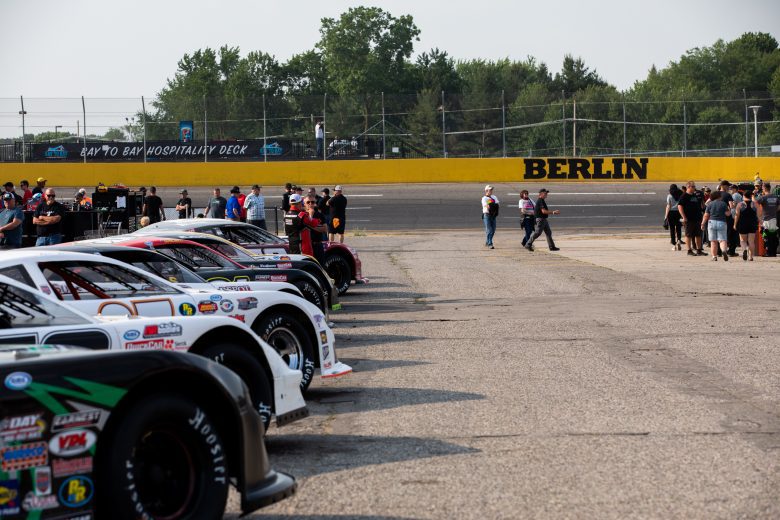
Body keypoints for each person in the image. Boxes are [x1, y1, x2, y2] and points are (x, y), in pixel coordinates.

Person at [678, 181, 706, 256]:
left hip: (697, 218)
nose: (694, 188)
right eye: (693, 186)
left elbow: (700, 205)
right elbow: (680, 206)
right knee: (688, 235)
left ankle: (699, 250)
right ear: (688, 187)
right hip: (689, 219)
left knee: (698, 234)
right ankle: (689, 250)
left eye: (694, 186)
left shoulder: (695, 195)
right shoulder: (684, 196)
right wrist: (684, 217)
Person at [701, 190, 730, 261]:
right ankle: (723, 251)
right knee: (722, 240)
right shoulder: (723, 204)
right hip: (722, 222)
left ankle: (714, 256)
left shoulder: (710, 204)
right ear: (719, 196)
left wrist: (703, 223)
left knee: (713, 241)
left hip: (711, 222)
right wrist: (729, 209)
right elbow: (728, 214)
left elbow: (706, 215)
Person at [756, 182, 779, 257]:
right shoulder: (776, 197)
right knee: (773, 236)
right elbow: (779, 208)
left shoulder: (763, 197)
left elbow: (755, 203)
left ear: (765, 188)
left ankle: (769, 252)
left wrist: (753, 195)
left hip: (766, 219)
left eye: (762, 188)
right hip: (774, 219)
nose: (762, 189)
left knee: (766, 236)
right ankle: (773, 252)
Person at [734, 190, 758, 261]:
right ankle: (750, 257)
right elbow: (758, 214)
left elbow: (737, 215)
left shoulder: (740, 204)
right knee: (751, 241)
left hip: (742, 224)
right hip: (752, 224)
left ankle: (744, 249)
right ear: (751, 196)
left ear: (743, 196)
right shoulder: (754, 204)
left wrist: (735, 224)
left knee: (743, 240)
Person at [305, 195, 329, 263]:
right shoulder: (302, 215)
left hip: (317, 244)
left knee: (321, 265)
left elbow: (325, 229)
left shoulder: (319, 215)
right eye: (308, 202)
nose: (310, 204)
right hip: (307, 245)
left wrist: (311, 225)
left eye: (312, 202)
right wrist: (310, 216)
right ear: (304, 204)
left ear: (315, 203)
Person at [717, 181, 737, 257]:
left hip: (717, 217)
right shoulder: (728, 195)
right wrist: (734, 204)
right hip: (726, 217)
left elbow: (707, 203)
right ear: (724, 186)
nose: (729, 187)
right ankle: (731, 251)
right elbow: (731, 206)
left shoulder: (715, 194)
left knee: (719, 234)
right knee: (730, 234)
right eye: (728, 186)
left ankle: (718, 252)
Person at [665, 184, 684, 250]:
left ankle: (674, 244)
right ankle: (679, 240)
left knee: (672, 229)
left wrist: (666, 216)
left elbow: (668, 206)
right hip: (679, 212)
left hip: (671, 213)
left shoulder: (669, 196)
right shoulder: (680, 195)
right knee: (678, 227)